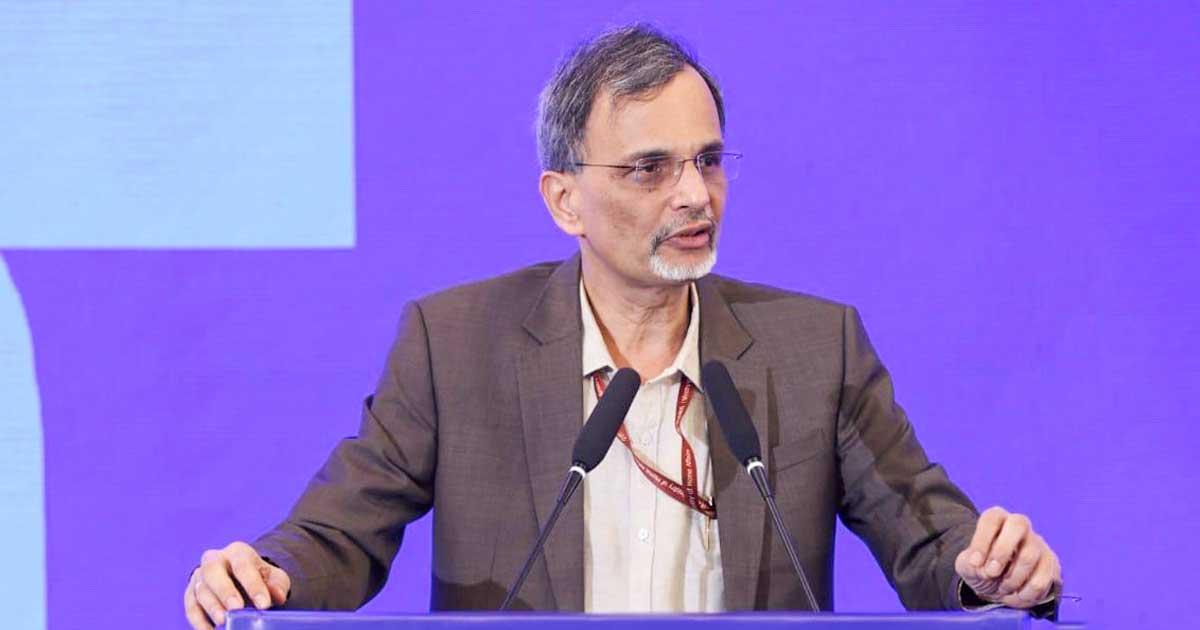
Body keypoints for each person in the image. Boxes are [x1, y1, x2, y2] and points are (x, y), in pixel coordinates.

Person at [184, 24, 1061, 630]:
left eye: (708, 160)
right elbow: (342, 531)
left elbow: (928, 534)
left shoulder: (815, 349)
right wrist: (268, 574)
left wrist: (988, 571)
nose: (695, 196)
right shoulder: (454, 345)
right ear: (564, 199)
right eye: (650, 169)